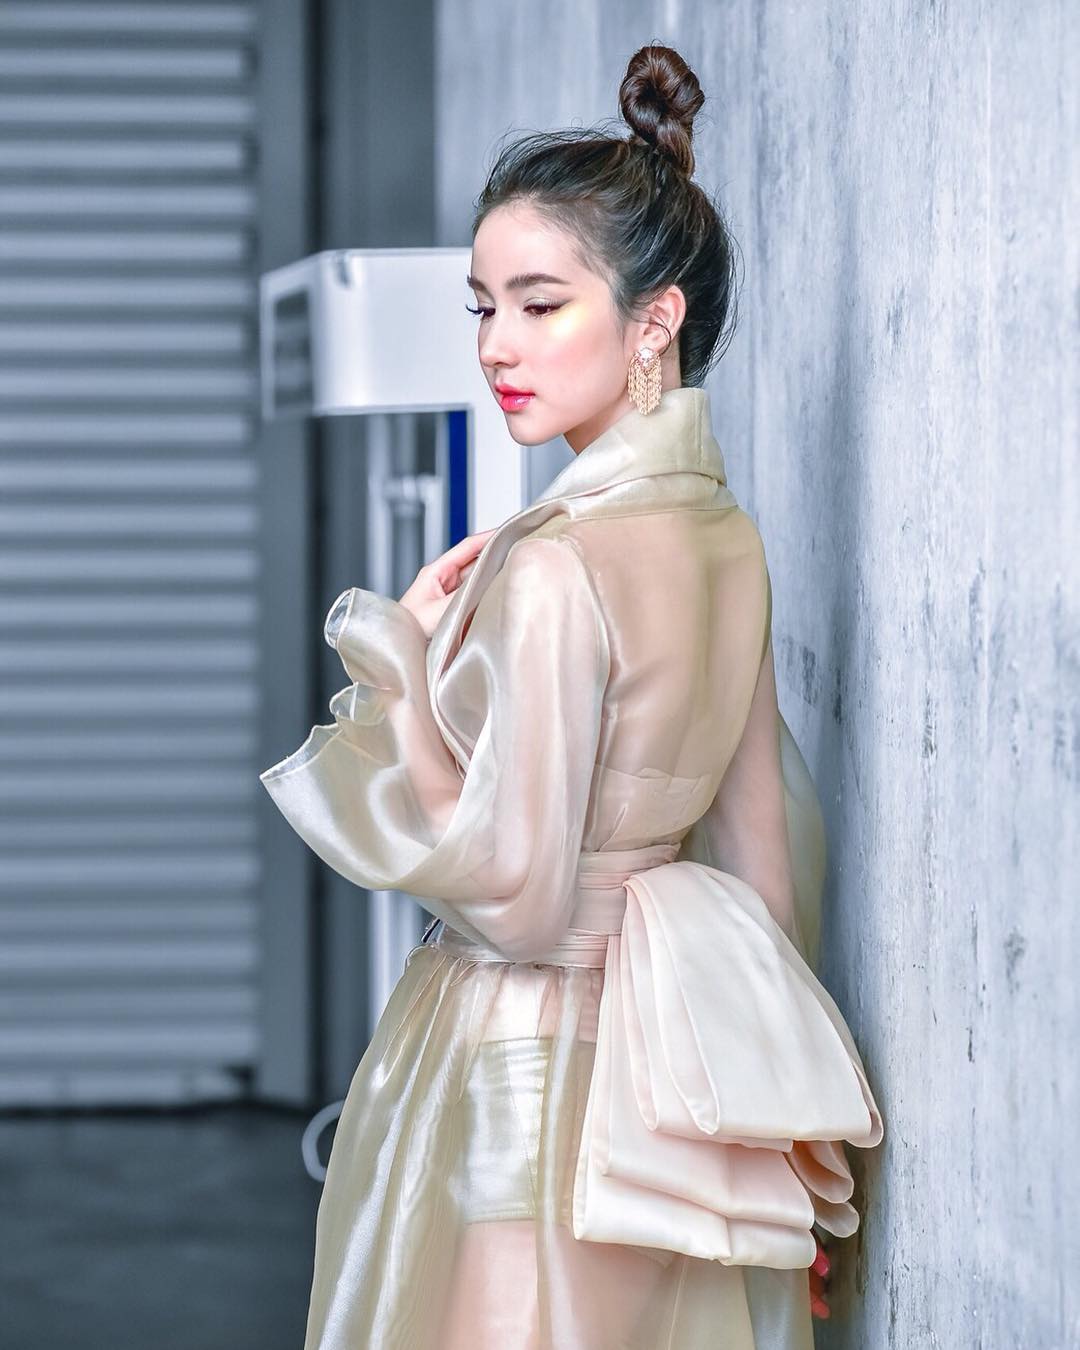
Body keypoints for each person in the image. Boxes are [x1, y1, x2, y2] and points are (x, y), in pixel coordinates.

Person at [260, 43, 884, 1350]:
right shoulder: (727, 540)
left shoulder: (554, 566)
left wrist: (402, 669)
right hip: (679, 1082)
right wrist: (788, 1127)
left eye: (540, 305)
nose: (499, 346)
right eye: (482, 307)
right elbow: (767, 860)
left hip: (527, 1057)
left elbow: (517, 894)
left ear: (654, 320)